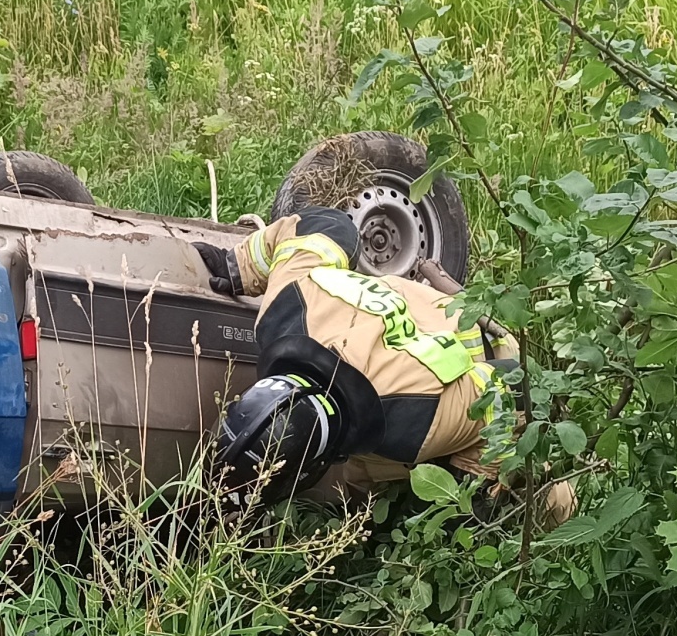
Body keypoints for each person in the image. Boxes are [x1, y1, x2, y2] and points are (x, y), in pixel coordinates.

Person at [196, 207, 574, 523]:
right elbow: (327, 225)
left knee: (553, 501)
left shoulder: (414, 418)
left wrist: (475, 490)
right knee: (363, 487)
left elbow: (514, 390)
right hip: (414, 335)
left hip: (483, 356)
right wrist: (242, 266)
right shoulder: (284, 306)